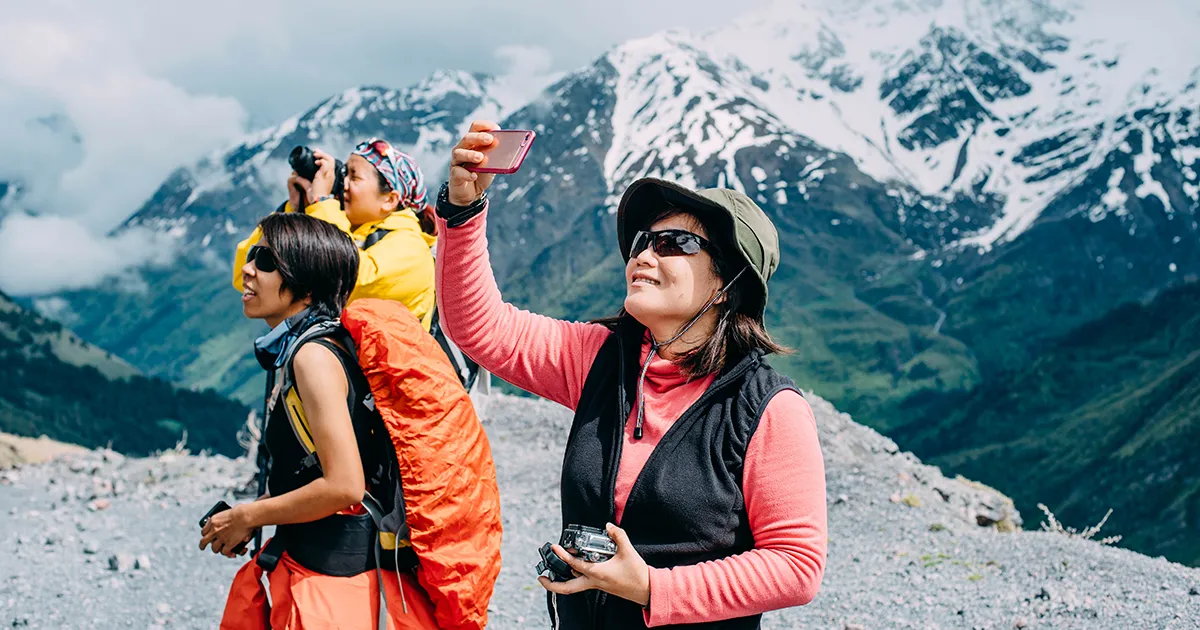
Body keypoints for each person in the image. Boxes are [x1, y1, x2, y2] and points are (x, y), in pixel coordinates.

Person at [433, 120, 828, 629]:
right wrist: (463, 210)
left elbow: (797, 567)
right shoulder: (601, 358)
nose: (642, 254)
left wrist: (649, 588)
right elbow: (479, 328)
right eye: (644, 240)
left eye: (676, 243)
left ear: (728, 282)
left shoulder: (767, 408)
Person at [204, 212, 444, 629]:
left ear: (305, 284)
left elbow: (344, 485)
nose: (247, 268)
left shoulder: (311, 356)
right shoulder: (325, 343)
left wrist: (247, 517)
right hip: (336, 573)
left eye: (265, 261)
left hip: (328, 588)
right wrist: (251, 512)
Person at [233, 138, 437, 330]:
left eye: (354, 176)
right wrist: (293, 212)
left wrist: (322, 202)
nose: (342, 184)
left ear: (390, 200)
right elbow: (247, 274)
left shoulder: (412, 247)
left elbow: (350, 280)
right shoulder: (345, 229)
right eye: (344, 174)